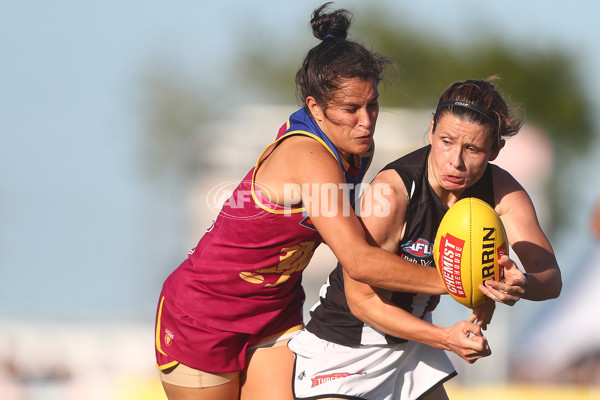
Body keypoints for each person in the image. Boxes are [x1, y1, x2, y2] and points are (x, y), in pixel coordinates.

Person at [154, 4, 464, 400]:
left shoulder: (354, 145)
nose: (366, 120)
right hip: (204, 316)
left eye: (372, 104)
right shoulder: (310, 155)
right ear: (314, 107)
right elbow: (359, 259)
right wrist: (458, 281)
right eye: (351, 109)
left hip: (273, 313)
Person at [289, 77, 563, 400]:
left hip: (412, 352)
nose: (455, 161)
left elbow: (551, 277)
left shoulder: (502, 190)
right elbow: (361, 300)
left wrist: (522, 285)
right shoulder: (392, 193)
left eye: (472, 149)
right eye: (446, 141)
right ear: (431, 129)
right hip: (344, 349)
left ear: (495, 150)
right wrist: (444, 336)